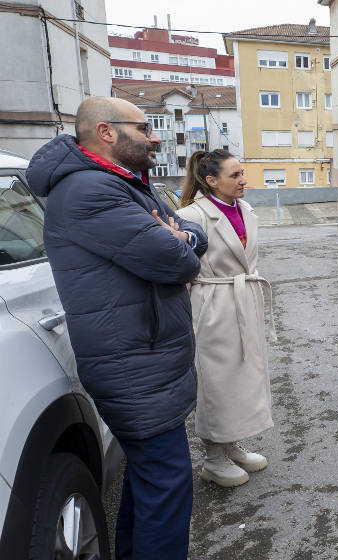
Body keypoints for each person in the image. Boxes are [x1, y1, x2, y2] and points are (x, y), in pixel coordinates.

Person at [25, 97, 207, 559]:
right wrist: (178, 241)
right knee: (166, 485)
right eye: (145, 128)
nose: (155, 136)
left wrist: (178, 234)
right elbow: (177, 261)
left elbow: (187, 233)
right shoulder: (90, 191)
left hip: (144, 360)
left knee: (151, 481)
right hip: (134, 364)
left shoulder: (122, 183)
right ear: (106, 132)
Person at [176, 149, 276, 486]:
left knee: (241, 378)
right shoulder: (192, 214)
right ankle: (213, 457)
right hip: (212, 304)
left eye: (242, 173)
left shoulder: (244, 208)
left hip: (242, 299)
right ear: (211, 181)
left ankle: (230, 445)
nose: (242, 180)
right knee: (216, 382)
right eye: (234, 175)